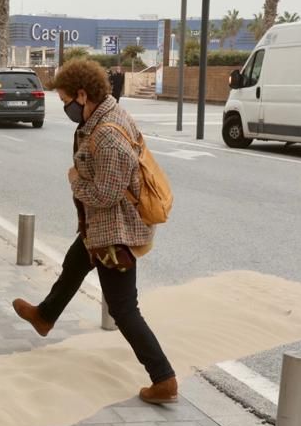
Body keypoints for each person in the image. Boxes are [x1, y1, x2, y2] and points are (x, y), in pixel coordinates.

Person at [11, 59, 178, 404]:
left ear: (83, 95)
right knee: (75, 261)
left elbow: (105, 195)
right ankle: (45, 316)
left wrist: (74, 182)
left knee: (123, 310)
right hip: (100, 227)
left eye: (66, 101)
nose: (66, 108)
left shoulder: (107, 136)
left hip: (116, 232)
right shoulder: (103, 114)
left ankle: (164, 378)